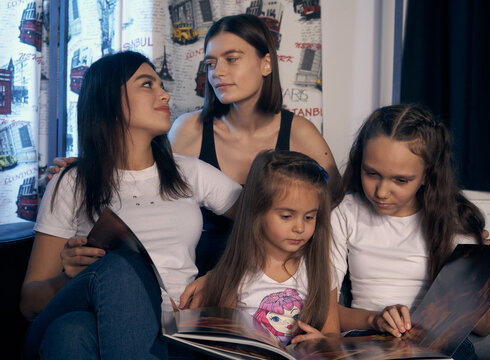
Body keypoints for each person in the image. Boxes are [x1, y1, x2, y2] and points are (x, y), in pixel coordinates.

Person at [49, 14, 340, 278]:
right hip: (201, 272)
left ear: (266, 64)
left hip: (270, 267)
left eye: (232, 59)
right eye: (211, 63)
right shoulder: (190, 129)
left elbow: (333, 205)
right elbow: (143, 172)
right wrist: (92, 164)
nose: (218, 73)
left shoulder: (300, 131)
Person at [20, 51, 242, 359]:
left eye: (160, 84)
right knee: (122, 265)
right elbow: (29, 303)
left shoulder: (189, 172)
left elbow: (268, 220)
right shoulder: (73, 180)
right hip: (90, 302)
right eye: (147, 84)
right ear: (109, 99)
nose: (164, 94)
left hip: (170, 327)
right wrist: (66, 277)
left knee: (71, 332)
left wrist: (218, 276)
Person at [331, 104, 490, 360]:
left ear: (427, 176)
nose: (382, 192)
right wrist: (375, 319)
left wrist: (476, 277)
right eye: (371, 173)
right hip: (367, 339)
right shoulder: (345, 213)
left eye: (400, 180)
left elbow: (486, 327)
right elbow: (327, 314)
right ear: (359, 163)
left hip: (438, 342)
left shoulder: (453, 221)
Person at [196, 150, 340, 345]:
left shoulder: (321, 271)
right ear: (258, 211)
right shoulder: (236, 273)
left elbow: (332, 336)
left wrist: (321, 343)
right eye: (287, 216)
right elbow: (224, 341)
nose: (299, 227)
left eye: (309, 217)